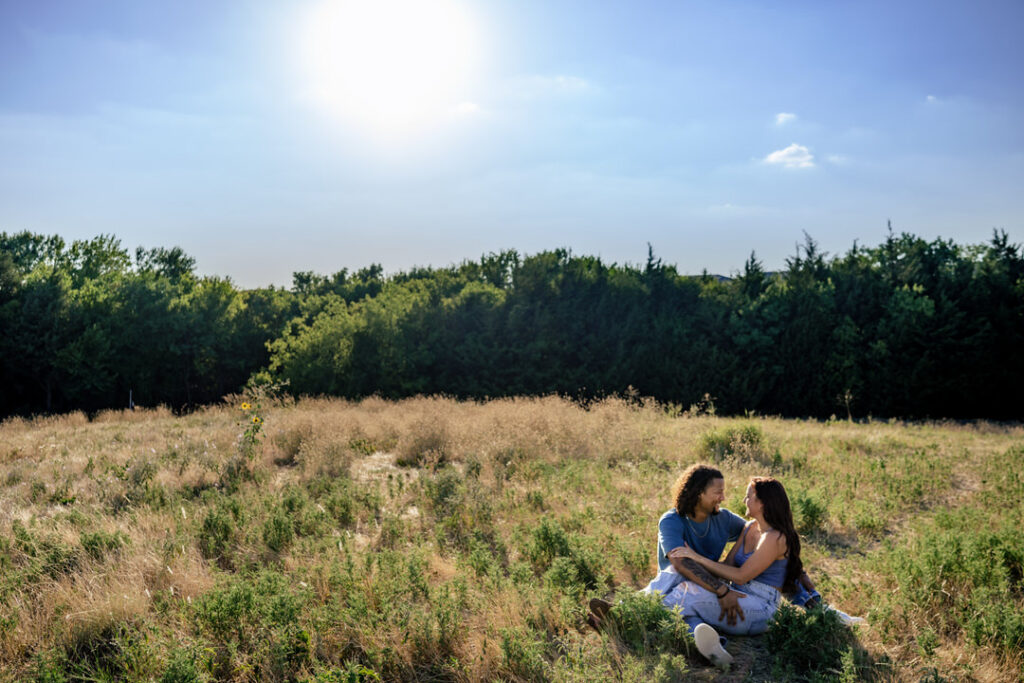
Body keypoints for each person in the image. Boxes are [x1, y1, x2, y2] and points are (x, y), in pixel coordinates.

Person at [667, 476, 802, 667]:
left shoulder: (775, 537)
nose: (743, 501)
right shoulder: (749, 528)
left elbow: (741, 575)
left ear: (762, 503)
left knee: (684, 596)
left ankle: (631, 614)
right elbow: (728, 565)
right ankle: (714, 646)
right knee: (681, 585)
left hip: (762, 607)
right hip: (737, 595)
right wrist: (693, 571)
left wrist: (696, 558)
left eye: (748, 497)